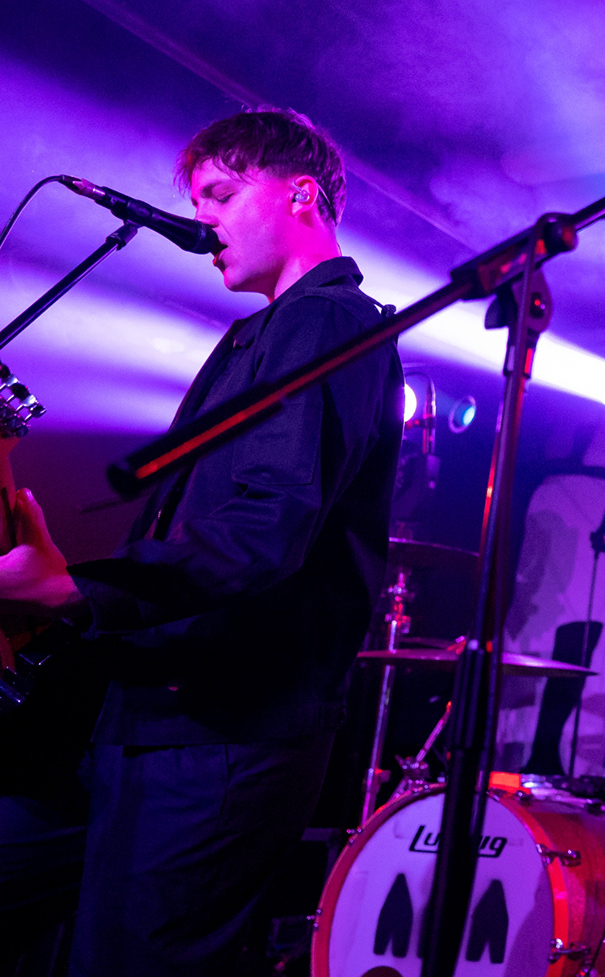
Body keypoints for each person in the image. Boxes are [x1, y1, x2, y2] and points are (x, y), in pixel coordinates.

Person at [0, 109, 403, 975]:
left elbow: (266, 526)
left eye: (221, 194)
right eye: (197, 201)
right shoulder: (263, 331)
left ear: (300, 195)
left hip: (218, 731)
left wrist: (75, 590)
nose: (203, 218)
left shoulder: (326, 322)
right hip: (148, 716)